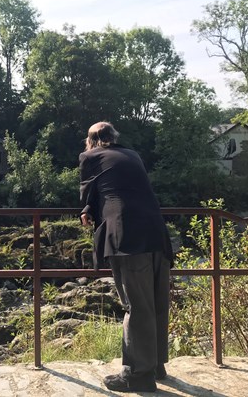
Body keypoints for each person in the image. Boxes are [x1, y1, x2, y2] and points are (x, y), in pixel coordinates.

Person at [79, 121, 173, 393]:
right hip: (156, 231)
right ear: (114, 138)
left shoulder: (89, 156)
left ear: (91, 141)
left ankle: (137, 375)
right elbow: (116, 184)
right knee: (156, 302)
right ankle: (155, 365)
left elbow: (90, 190)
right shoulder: (133, 155)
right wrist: (90, 205)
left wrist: (86, 208)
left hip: (127, 235)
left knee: (137, 306)